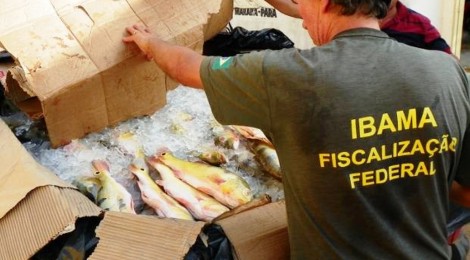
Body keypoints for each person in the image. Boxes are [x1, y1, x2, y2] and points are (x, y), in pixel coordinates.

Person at [123, 0, 470, 258]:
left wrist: (150, 43)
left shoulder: (290, 76)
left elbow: (189, 68)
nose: (302, 19)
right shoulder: (447, 71)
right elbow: (464, 192)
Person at [265, 0, 452, 54]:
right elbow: (296, 7)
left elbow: (448, 63)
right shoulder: (347, 14)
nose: (305, 24)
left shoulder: (419, 24)